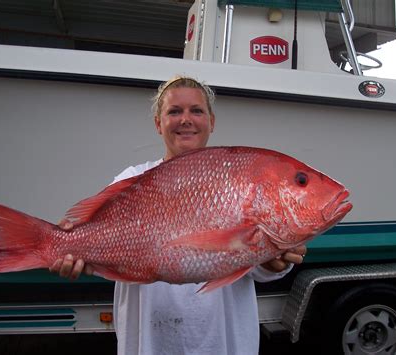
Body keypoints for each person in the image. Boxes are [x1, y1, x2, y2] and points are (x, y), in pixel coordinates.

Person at [50, 76, 307, 355]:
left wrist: (271, 265)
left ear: (211, 121)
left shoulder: (237, 175)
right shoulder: (132, 178)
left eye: (196, 111)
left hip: (223, 342)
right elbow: (99, 241)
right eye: (174, 111)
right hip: (151, 343)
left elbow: (252, 267)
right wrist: (70, 248)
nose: (186, 119)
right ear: (159, 124)